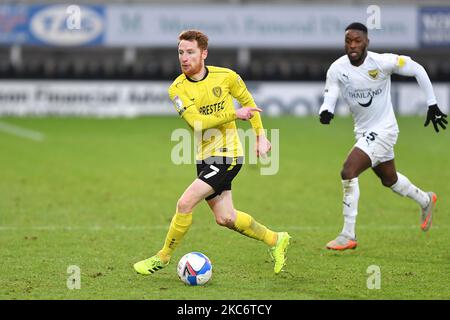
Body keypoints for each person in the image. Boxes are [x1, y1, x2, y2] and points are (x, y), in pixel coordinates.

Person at [134, 30, 291, 275]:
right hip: (204, 156)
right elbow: (196, 122)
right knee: (225, 218)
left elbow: (249, 103)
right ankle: (275, 239)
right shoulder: (177, 89)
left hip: (228, 155)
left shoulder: (226, 77)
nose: (184, 58)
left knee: (184, 203)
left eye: (190, 52)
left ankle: (162, 257)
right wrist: (233, 114)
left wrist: (260, 136)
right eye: (180, 53)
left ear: (204, 53)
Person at [319, 22, 447, 250]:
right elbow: (331, 93)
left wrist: (432, 104)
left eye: (358, 40)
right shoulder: (337, 68)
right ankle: (426, 199)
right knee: (390, 180)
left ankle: (348, 234)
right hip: (363, 131)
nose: (353, 46)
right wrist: (326, 110)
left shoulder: (383, 62)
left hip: (385, 129)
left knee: (348, 170)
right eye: (348, 41)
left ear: (367, 42)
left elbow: (416, 69)